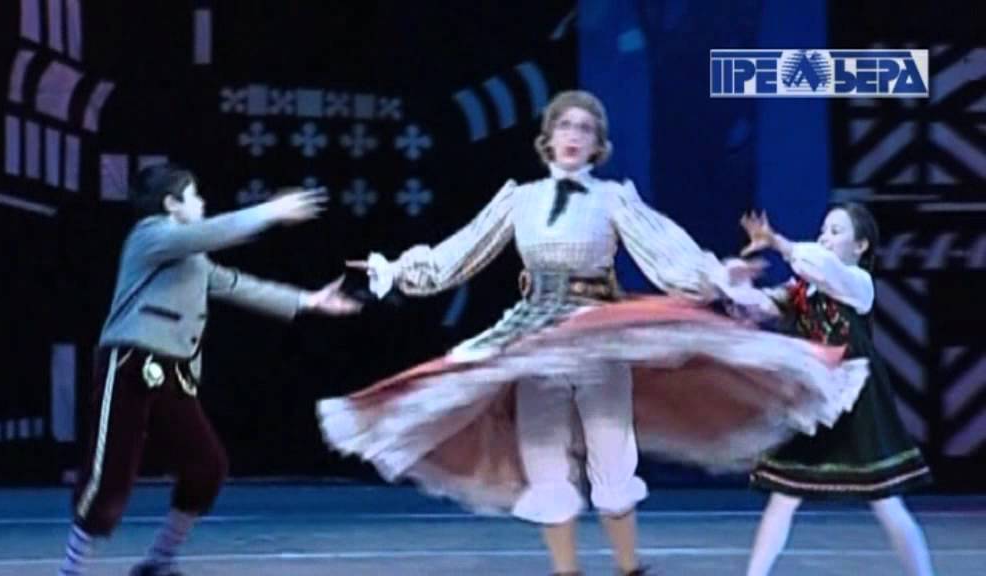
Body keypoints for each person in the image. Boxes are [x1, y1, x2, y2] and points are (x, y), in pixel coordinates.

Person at [323, 91, 866, 576]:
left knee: (611, 459)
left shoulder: (612, 198)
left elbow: (665, 251)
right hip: (534, 336)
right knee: (545, 461)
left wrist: (719, 276)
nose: (574, 135)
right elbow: (459, 253)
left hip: (599, 332)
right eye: (565, 125)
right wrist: (396, 270)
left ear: (597, 143)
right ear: (548, 137)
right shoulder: (520, 199)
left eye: (585, 128)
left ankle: (629, 569)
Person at [58, 164, 359, 576]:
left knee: (206, 465)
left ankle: (159, 562)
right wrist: (270, 211)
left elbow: (237, 284)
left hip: (175, 372)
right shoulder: (150, 235)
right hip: (130, 364)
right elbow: (210, 233)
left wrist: (308, 301)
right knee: (110, 475)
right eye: (194, 196)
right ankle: (71, 571)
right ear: (171, 204)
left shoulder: (191, 257)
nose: (201, 203)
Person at [732, 206, 934, 576]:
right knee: (784, 496)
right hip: (812, 400)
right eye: (824, 229)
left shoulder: (857, 282)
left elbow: (824, 269)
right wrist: (737, 284)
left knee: (886, 501)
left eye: (836, 231)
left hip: (853, 399)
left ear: (860, 245)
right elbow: (763, 304)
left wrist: (779, 242)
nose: (826, 237)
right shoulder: (802, 288)